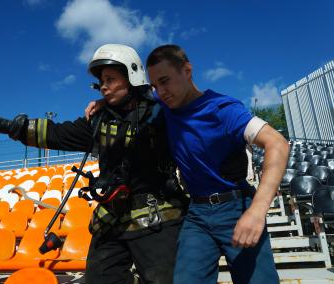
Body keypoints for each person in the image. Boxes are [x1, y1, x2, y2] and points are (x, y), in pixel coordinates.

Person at [0, 44, 187, 284]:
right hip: (111, 219)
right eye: (101, 80)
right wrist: (13, 128)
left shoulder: (160, 113)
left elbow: (180, 103)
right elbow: (58, 134)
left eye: (110, 78)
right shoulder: (98, 120)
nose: (104, 85)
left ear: (132, 76)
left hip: (158, 219)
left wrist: (145, 95)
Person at [86, 44, 289, 283]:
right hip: (197, 213)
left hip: (236, 206)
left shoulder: (222, 109)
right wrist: (106, 106)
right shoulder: (163, 109)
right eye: (155, 86)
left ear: (187, 70)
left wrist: (257, 211)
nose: (161, 92)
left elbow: (278, 144)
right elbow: (133, 102)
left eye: (165, 81)